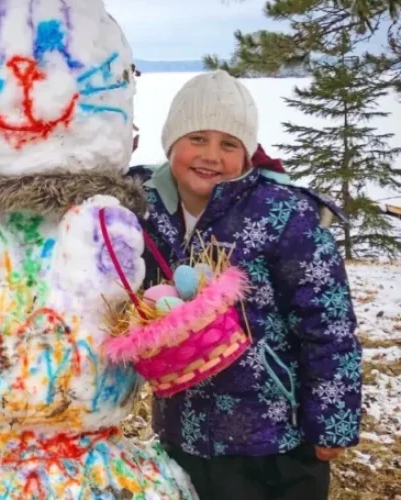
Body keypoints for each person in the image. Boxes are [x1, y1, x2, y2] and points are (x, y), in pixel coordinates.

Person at [127, 71, 363, 500]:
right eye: (197, 137)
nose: (211, 155)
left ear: (249, 154)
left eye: (229, 144)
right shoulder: (144, 204)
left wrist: (332, 420)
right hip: (184, 432)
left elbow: (326, 325)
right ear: (170, 142)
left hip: (274, 441)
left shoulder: (284, 215)